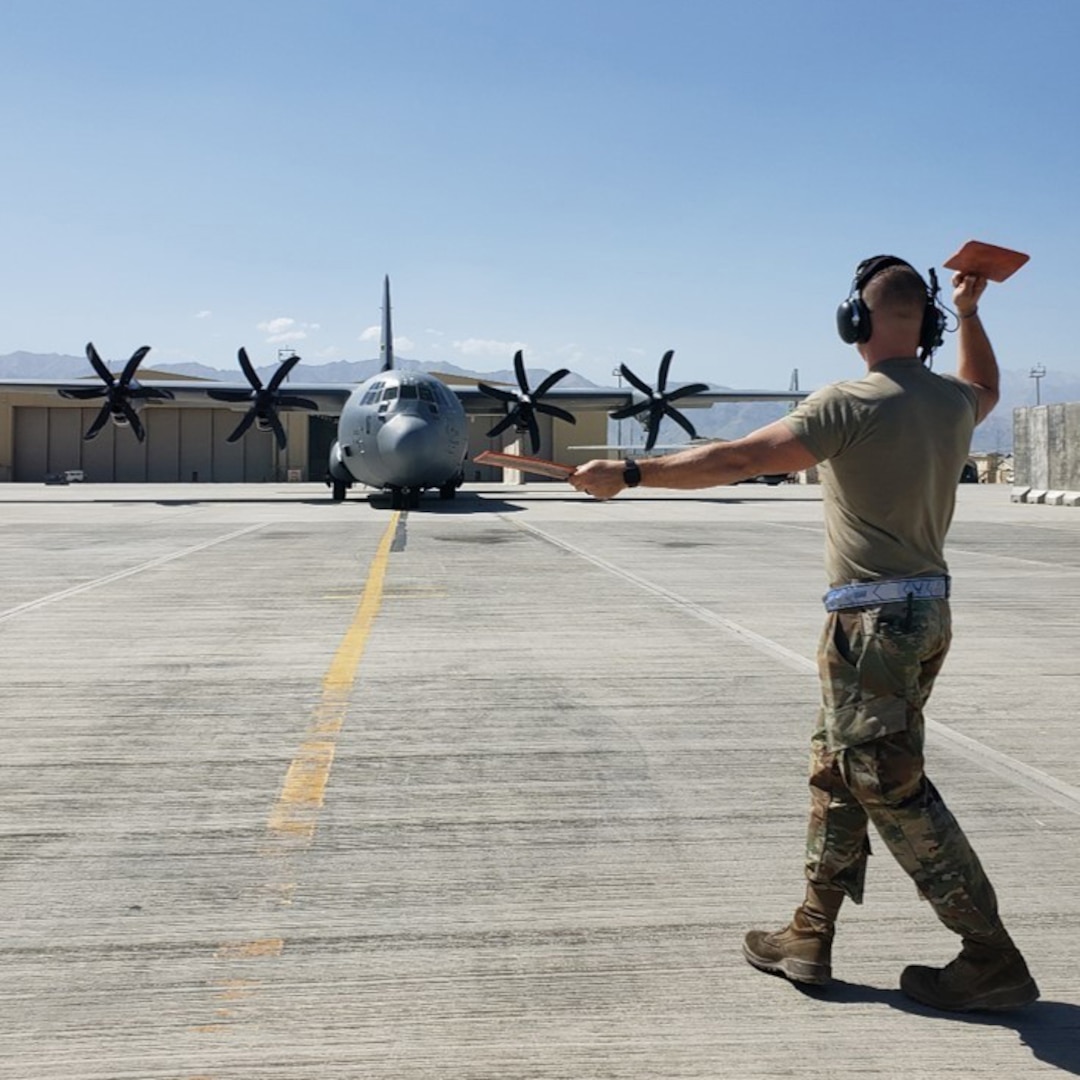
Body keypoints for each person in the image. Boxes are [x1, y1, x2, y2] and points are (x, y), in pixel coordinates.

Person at [568, 256, 1039, 1012]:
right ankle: (809, 934)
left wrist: (629, 472)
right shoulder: (951, 402)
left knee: (887, 784)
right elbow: (985, 386)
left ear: (855, 320)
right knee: (838, 770)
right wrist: (973, 312)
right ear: (928, 326)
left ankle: (990, 955)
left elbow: (742, 458)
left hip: (871, 622)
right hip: (924, 614)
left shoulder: (849, 402)